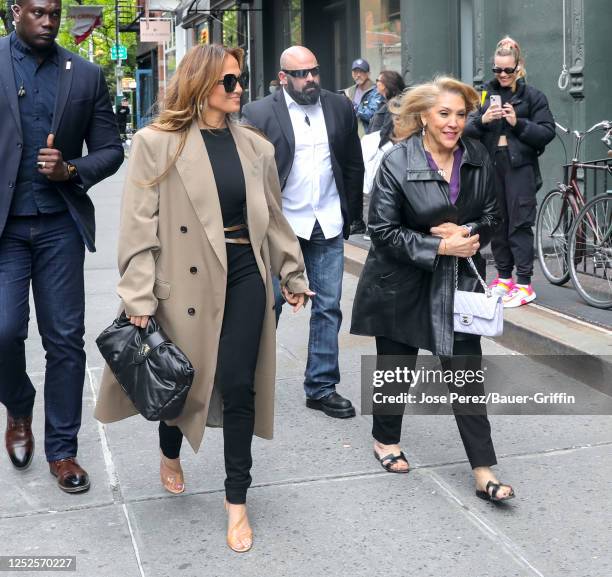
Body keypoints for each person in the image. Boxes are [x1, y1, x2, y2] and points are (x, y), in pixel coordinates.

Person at [94, 44, 311, 553]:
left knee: (239, 386)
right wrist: (138, 297)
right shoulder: (156, 143)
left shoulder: (256, 148)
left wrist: (292, 273)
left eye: (241, 81)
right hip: (184, 280)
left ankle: (237, 500)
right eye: (229, 82)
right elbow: (139, 228)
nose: (239, 90)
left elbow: (275, 219)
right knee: (180, 382)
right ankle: (170, 449)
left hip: (243, 275)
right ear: (200, 85)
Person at [351, 77, 515, 502]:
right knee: (397, 368)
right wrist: (439, 244)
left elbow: (495, 214)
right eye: (444, 113)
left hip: (456, 282)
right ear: (423, 115)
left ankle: (483, 469)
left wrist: (469, 231)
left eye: (461, 114)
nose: (453, 123)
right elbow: (381, 230)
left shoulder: (477, 156)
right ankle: (385, 440)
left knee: (465, 375)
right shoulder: (398, 161)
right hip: (399, 282)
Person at [0, 0, 123, 493]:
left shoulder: (86, 74)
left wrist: (71, 169)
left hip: (60, 227)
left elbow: (112, 149)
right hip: (5, 229)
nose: (49, 21)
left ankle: (63, 450)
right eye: (39, 13)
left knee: (65, 341)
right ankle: (19, 406)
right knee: (5, 330)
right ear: (15, 13)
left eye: (54, 13)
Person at [242, 46, 364, 419]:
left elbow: (352, 162)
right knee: (270, 305)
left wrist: (352, 216)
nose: (310, 79)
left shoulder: (339, 106)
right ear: (283, 78)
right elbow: (248, 176)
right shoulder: (258, 113)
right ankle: (249, 384)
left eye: (314, 71)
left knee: (328, 307)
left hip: (326, 222)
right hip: (281, 228)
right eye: (300, 74)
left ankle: (322, 387)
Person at [464, 36, 555, 308]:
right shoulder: (484, 93)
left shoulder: (532, 96)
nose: (502, 75)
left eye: (508, 70)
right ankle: (505, 278)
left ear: (519, 67)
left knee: (520, 223)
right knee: (497, 223)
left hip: (520, 168)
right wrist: (483, 120)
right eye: (498, 69)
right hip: (493, 167)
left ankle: (525, 283)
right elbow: (466, 129)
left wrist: (518, 123)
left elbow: (546, 132)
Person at [342, 57, 383, 138]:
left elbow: (371, 115)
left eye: (361, 72)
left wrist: (351, 104)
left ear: (368, 74)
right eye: (355, 72)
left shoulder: (377, 91)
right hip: (350, 137)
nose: (358, 75)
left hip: (368, 138)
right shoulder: (348, 91)